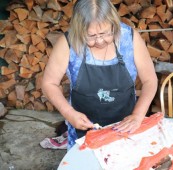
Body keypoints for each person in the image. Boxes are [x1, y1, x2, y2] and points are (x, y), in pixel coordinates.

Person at [41, 0, 157, 150]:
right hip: (83, 129)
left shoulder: (129, 38)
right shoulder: (68, 42)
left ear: (114, 23)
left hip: (125, 127)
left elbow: (150, 80)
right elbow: (49, 83)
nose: (100, 41)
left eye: (105, 33)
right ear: (79, 29)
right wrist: (69, 113)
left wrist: (138, 115)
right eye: (91, 36)